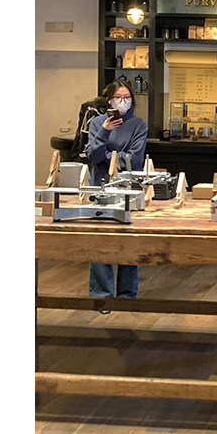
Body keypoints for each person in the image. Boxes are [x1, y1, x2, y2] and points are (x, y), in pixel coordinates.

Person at [83, 78, 148, 301]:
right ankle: (102, 295)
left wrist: (108, 157)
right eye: (117, 97)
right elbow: (92, 155)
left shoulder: (138, 124)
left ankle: (127, 294)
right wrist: (104, 132)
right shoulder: (97, 123)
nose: (122, 101)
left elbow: (135, 159)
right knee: (99, 240)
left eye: (126, 97)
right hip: (100, 188)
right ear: (109, 100)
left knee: (129, 241)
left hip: (127, 187)